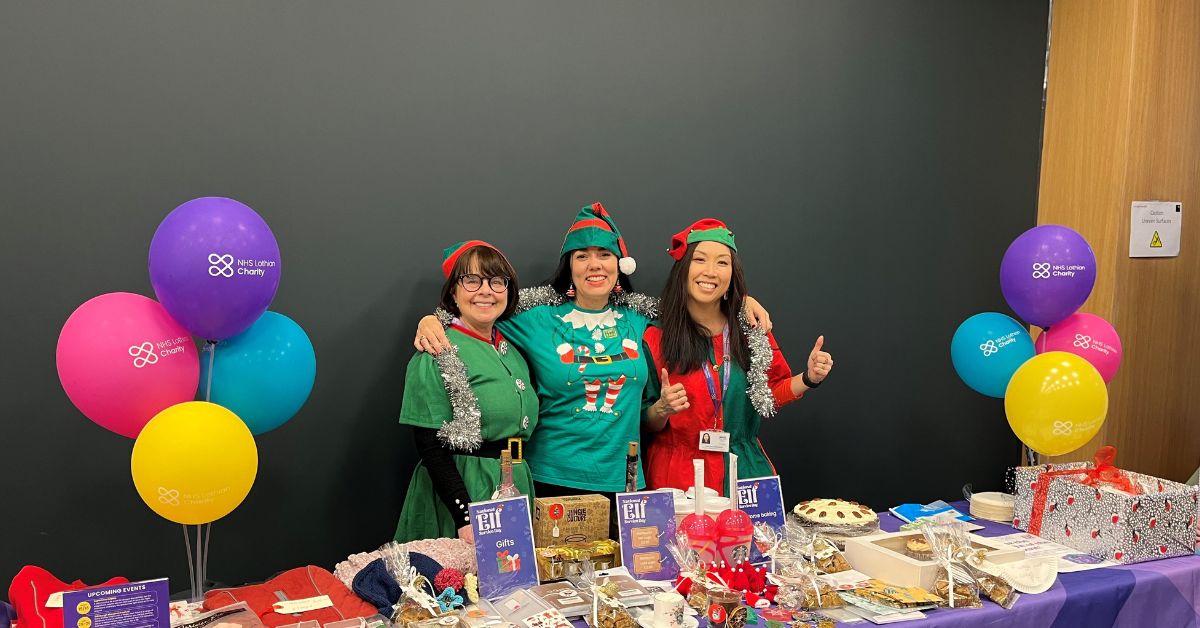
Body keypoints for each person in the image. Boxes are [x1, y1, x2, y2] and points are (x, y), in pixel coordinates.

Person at [414, 204, 771, 518]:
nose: (594, 264)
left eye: (604, 254)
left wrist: (742, 304)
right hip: (550, 479)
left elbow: (700, 305)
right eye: (581, 256)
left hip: (624, 481)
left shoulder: (642, 318)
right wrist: (436, 319)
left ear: (620, 265)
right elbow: (481, 308)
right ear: (569, 268)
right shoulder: (535, 321)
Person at [642, 219, 834, 495]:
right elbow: (644, 419)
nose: (710, 272)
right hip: (678, 475)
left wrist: (809, 378)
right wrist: (662, 409)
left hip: (743, 471)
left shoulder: (751, 330)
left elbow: (769, 394)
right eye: (699, 260)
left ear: (733, 273)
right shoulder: (656, 337)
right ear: (683, 269)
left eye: (722, 262)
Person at [394, 240, 540, 543]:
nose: (485, 291)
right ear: (453, 292)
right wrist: (464, 515)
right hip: (464, 493)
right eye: (471, 280)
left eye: (496, 281)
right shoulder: (436, 350)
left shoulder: (512, 350)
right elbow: (430, 446)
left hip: (513, 483)